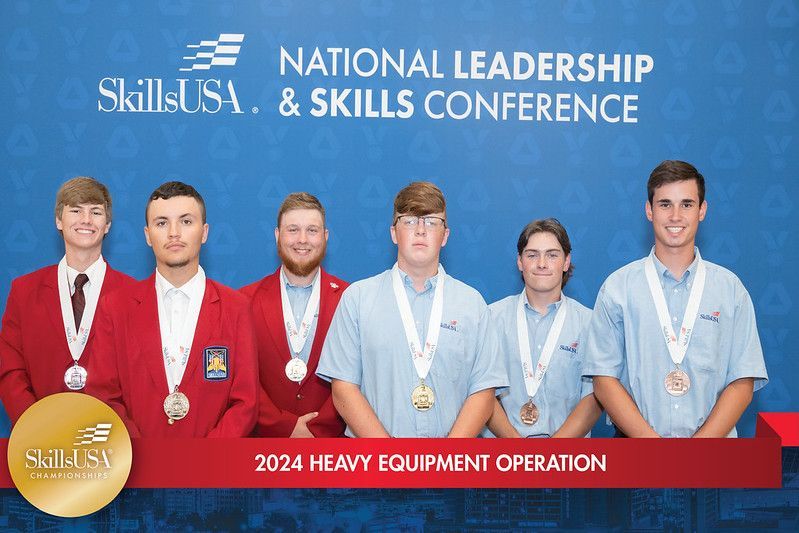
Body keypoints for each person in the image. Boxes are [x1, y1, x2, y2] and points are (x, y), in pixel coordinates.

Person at [582, 160, 768, 437]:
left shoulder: (730, 289)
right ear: (649, 210)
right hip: (636, 456)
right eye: (665, 204)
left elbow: (742, 380)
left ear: (702, 211)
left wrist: (698, 451)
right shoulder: (618, 288)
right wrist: (656, 450)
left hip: (713, 456)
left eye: (687, 204)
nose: (676, 216)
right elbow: (604, 378)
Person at [317, 181, 507, 437]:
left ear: (445, 235)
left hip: (451, 469)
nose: (420, 230)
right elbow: (343, 388)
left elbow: (483, 392)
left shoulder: (472, 304)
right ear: (394, 233)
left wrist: (444, 461)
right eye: (409, 221)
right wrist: (393, 460)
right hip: (377, 466)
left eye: (431, 221)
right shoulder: (358, 299)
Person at [87, 181, 257, 437]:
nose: (174, 233)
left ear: (205, 232)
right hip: (138, 467)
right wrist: (142, 455)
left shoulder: (236, 307)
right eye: (162, 223)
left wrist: (206, 462)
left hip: (214, 470)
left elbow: (246, 403)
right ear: (147, 235)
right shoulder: (115, 307)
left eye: (186, 222)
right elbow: (103, 396)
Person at [0, 177, 134, 425]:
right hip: (40, 443)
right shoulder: (24, 291)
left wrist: (117, 434)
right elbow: (10, 371)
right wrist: (35, 426)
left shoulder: (134, 296)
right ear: (59, 220)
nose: (86, 220)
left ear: (107, 225)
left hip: (111, 444)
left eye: (95, 212)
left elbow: (140, 380)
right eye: (75, 210)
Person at [240, 193, 348, 437]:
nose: (302, 240)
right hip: (264, 453)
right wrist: (285, 426)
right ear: (278, 236)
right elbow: (241, 381)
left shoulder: (350, 300)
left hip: (332, 451)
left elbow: (358, 375)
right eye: (293, 230)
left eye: (312, 230)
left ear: (325, 237)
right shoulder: (244, 301)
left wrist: (316, 428)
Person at [485, 219, 601, 438]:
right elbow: (482, 392)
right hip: (503, 459)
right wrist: (517, 452)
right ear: (520, 262)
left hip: (567, 462)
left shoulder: (590, 324)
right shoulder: (491, 318)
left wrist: (550, 456)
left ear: (566, 261)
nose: (541, 263)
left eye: (552, 255)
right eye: (532, 255)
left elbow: (595, 397)